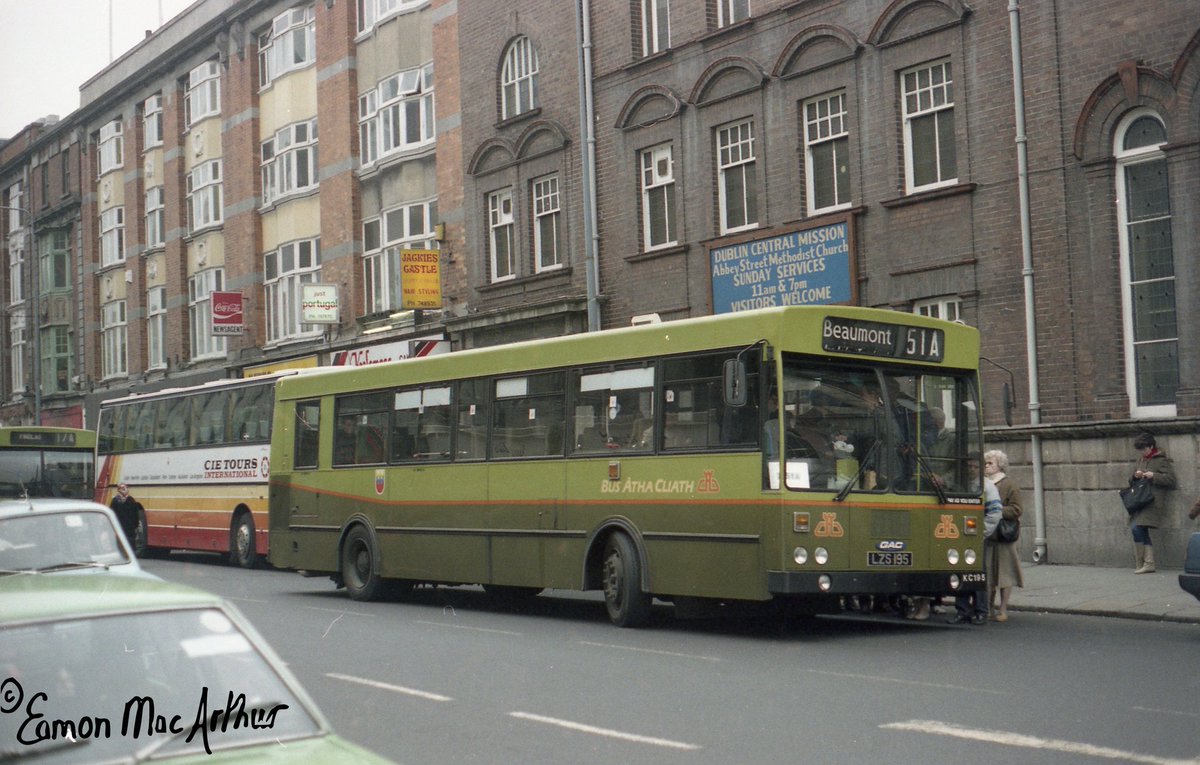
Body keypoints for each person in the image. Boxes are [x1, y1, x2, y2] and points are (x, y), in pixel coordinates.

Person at [948, 476, 1002, 625]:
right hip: (959, 536)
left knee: (977, 573)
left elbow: (995, 512)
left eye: (974, 466)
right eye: (969, 466)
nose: (971, 469)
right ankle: (963, 610)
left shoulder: (987, 487)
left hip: (976, 537)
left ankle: (981, 611)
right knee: (961, 571)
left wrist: (981, 533)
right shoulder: (958, 481)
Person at [983, 449, 1024, 621]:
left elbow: (1017, 509)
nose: (986, 466)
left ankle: (1003, 608)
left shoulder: (1009, 485)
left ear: (1000, 465)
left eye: (990, 463)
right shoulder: (983, 483)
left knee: (1005, 574)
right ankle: (987, 607)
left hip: (1003, 536)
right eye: (985, 463)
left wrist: (997, 510)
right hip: (989, 535)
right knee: (989, 574)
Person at [1127, 432, 1176, 574]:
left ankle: (1146, 563)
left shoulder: (1161, 460)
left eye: (1144, 449)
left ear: (1151, 446)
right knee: (1138, 528)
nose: (1142, 452)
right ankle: (1143, 563)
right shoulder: (1141, 460)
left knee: (1137, 527)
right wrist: (1135, 476)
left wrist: (1154, 475)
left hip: (1152, 501)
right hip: (1140, 500)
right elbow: (1131, 481)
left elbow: (1171, 480)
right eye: (1140, 450)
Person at [109, 483, 139, 548]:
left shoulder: (131, 500)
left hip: (128, 529)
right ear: (119, 490)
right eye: (122, 489)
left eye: (125, 488)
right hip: (120, 527)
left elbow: (135, 515)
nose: (124, 490)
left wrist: (135, 525)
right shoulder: (116, 501)